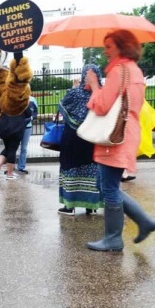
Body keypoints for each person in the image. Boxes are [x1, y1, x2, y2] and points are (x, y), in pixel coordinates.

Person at [84, 29, 155, 251]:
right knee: (106, 184)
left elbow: (103, 105)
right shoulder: (134, 70)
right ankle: (144, 222)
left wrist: (96, 86)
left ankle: (114, 238)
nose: (105, 51)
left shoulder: (119, 70)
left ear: (122, 46)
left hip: (116, 134)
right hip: (126, 132)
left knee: (108, 188)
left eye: (109, 47)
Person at [56, 65, 103, 216]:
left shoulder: (74, 93)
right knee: (92, 170)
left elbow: (62, 107)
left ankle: (69, 206)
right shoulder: (102, 94)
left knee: (71, 168)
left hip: (73, 138)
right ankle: (91, 206)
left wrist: (74, 88)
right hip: (93, 138)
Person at [0, 105, 32, 180]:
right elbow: (29, 113)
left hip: (4, 127)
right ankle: (10, 174)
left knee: (7, 148)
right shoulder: (20, 100)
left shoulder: (4, 99)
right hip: (16, 127)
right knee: (12, 149)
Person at [16, 96, 38, 174]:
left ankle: (21, 167)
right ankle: (11, 166)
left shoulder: (32, 100)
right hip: (17, 127)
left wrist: (31, 118)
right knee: (13, 147)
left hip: (27, 127)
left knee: (24, 148)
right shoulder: (16, 98)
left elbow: (36, 112)